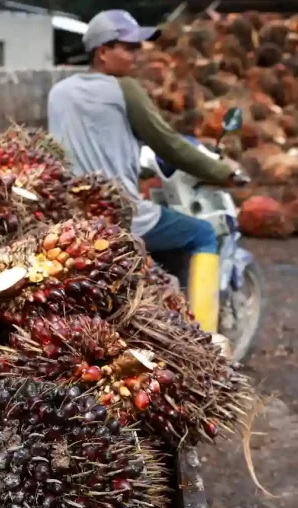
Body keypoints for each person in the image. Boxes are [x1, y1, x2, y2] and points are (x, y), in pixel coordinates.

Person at [47, 9, 248, 335]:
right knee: (203, 234)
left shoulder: (59, 92)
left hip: (67, 216)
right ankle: (207, 338)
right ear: (102, 51)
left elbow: (80, 147)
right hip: (116, 214)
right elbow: (168, 144)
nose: (137, 55)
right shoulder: (124, 89)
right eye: (129, 47)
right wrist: (222, 172)